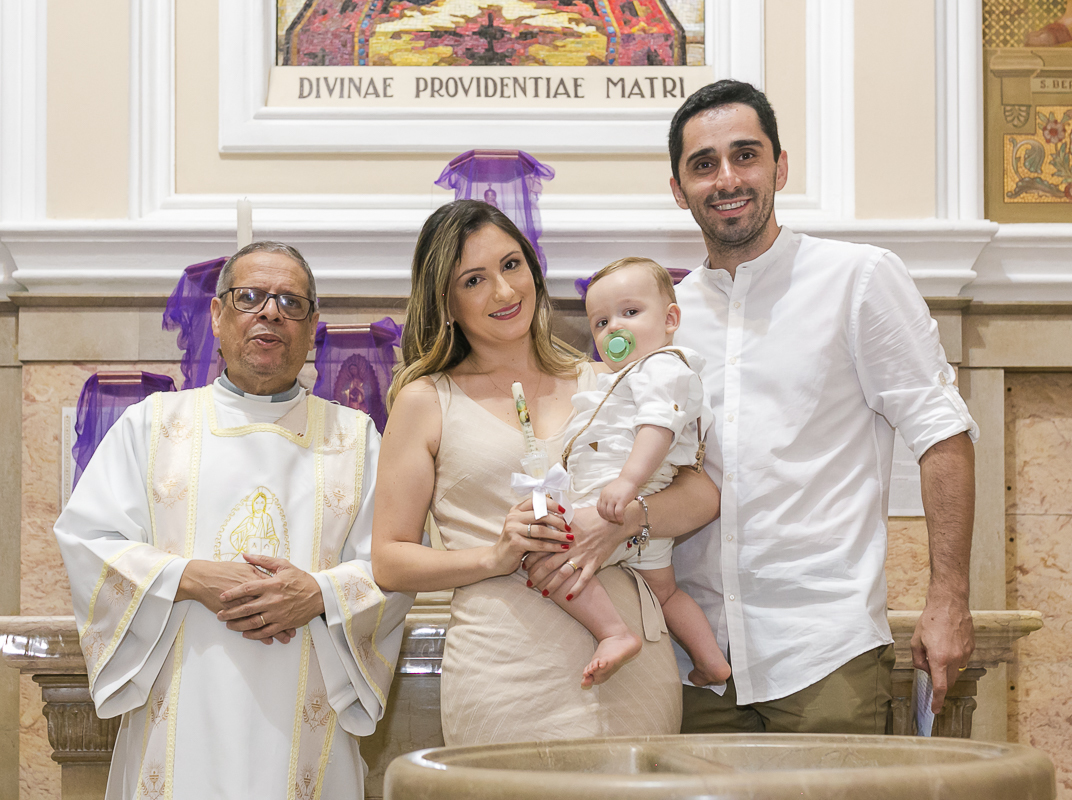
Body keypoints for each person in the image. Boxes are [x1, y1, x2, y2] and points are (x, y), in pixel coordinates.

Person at [666, 80, 979, 734]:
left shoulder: (858, 279)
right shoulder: (670, 317)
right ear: (678, 188)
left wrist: (948, 597)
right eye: (704, 164)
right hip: (695, 664)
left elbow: (941, 433)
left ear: (780, 167)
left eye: (745, 155)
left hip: (823, 651)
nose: (727, 179)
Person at [54, 241, 411, 799]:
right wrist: (190, 577)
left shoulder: (355, 439)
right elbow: (88, 540)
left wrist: (317, 594)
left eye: (291, 302)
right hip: (179, 717)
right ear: (218, 317)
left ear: (311, 328)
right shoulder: (151, 426)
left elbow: (396, 565)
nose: (271, 312)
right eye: (251, 297)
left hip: (306, 722)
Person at [371, 200, 720, 745]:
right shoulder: (426, 400)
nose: (504, 291)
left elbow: (701, 495)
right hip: (505, 674)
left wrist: (625, 519)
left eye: (512, 265)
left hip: (634, 675)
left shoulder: (608, 378)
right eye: (474, 280)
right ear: (446, 303)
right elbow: (390, 560)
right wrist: (495, 556)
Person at [546, 256, 731, 689]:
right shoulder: (631, 376)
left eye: (630, 312)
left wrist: (628, 481)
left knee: (548, 561)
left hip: (618, 501)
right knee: (664, 593)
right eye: (601, 322)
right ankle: (712, 662)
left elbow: (658, 425)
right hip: (647, 519)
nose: (614, 328)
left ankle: (613, 633)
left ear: (670, 320)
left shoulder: (661, 367)